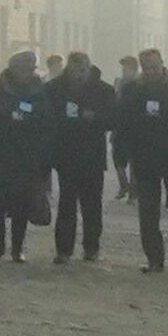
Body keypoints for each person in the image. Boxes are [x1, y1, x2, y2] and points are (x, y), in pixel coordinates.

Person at [115, 50, 168, 272]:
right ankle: (154, 258)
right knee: (148, 211)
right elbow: (123, 126)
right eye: (147, 68)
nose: (151, 71)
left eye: (155, 66)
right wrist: (120, 157)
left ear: (163, 64)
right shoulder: (133, 90)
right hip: (145, 159)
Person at [0, 51, 54, 262]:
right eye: (26, 68)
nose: (30, 73)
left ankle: (18, 248)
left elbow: (48, 123)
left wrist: (42, 150)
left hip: (26, 158)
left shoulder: (39, 93)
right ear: (15, 69)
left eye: (32, 69)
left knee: (22, 204)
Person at [45, 50, 116, 264]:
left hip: (92, 155)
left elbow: (113, 120)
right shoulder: (55, 89)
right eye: (76, 70)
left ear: (89, 68)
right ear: (69, 68)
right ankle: (64, 250)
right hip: (66, 154)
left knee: (92, 204)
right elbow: (47, 118)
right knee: (67, 203)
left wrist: (94, 117)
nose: (79, 75)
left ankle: (91, 247)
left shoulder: (103, 90)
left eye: (83, 70)